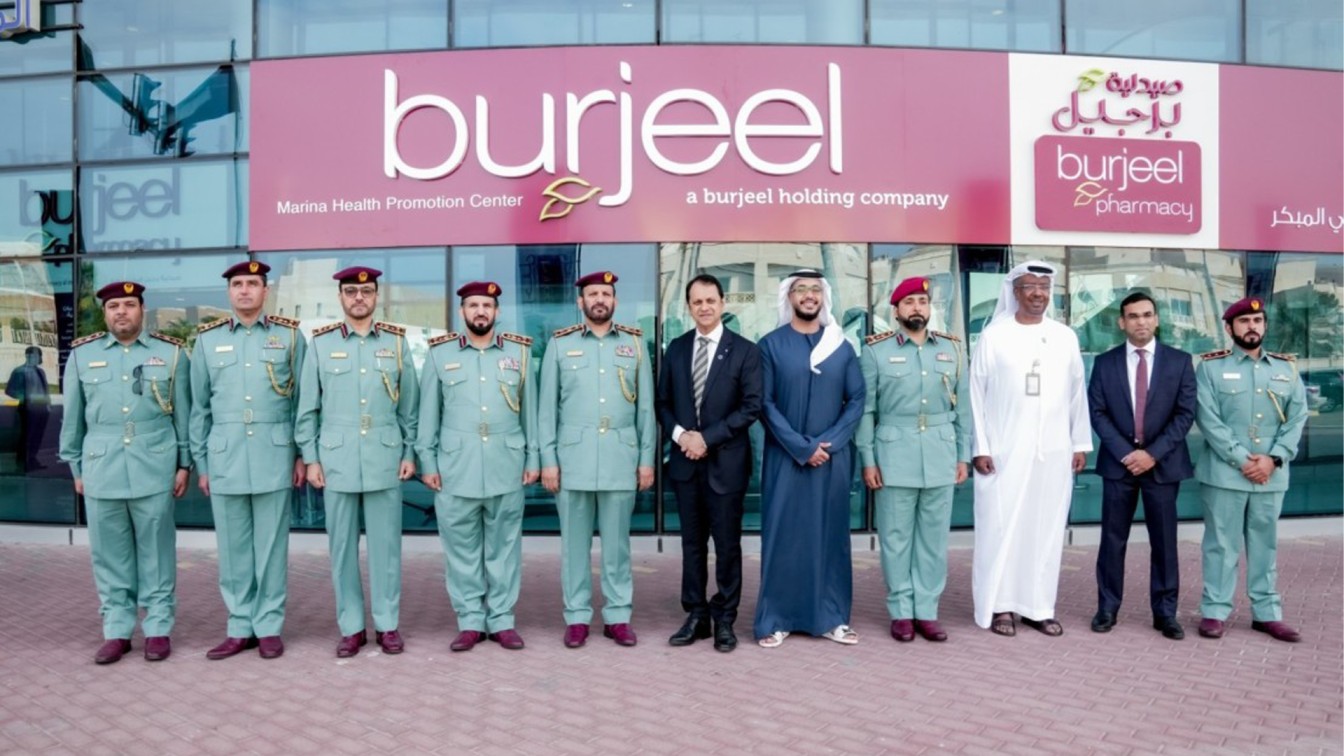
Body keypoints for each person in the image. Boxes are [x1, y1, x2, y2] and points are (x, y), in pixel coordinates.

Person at [58, 281, 191, 664]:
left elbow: (183, 415)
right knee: (109, 554)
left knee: (157, 552)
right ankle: (117, 630)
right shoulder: (83, 355)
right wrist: (76, 468)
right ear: (105, 313)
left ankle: (158, 628)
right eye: (114, 306)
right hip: (102, 467)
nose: (121, 312)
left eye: (129, 305)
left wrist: (184, 464)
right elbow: (73, 419)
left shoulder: (171, 353)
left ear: (141, 310)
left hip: (155, 465)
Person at [295, 266, 419, 658]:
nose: (359, 297)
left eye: (365, 291)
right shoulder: (320, 344)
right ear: (341, 298)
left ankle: (387, 624)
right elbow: (307, 409)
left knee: (386, 550)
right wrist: (310, 458)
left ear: (376, 296)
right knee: (342, 549)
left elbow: (409, 409)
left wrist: (409, 452)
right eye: (351, 291)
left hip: (384, 457)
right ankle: (351, 627)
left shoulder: (396, 343)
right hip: (337, 460)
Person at [190, 260, 306, 660]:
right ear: (229, 292)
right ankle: (240, 626)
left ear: (265, 291)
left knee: (272, 548)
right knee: (233, 549)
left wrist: (301, 455)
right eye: (237, 284)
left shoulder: (290, 337)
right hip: (225, 456)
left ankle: (269, 626)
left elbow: (302, 403)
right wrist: (202, 464)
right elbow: (199, 409)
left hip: (275, 453)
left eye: (252, 284)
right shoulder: (207, 341)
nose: (244, 290)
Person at [969, 261, 1091, 638]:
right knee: (1002, 528)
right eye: (1030, 286)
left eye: (1044, 286)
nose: (1038, 293)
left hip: (1054, 451)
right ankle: (1001, 605)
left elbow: (1077, 393)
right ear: (1015, 292)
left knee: (1045, 530)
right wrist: (980, 447)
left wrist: (1080, 442)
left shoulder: (1064, 336)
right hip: (1004, 452)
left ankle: (1038, 608)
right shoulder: (994, 336)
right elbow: (976, 396)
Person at [416, 281, 538, 652]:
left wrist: (534, 457)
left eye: (487, 305)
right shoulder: (440, 354)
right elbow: (428, 413)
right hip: (456, 467)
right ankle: (470, 620)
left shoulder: (519, 352)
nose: (480, 311)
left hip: (506, 464)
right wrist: (427, 460)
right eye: (473, 305)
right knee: (461, 552)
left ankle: (501, 620)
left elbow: (530, 412)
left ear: (497, 312)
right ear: (462, 312)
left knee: (504, 550)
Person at [538, 270, 655, 648]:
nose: (599, 300)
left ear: (615, 301)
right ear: (580, 302)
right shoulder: (561, 344)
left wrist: (646, 459)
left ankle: (618, 615)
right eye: (593, 294)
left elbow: (646, 408)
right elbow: (546, 409)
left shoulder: (634, 344)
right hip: (573, 460)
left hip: (621, 458)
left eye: (606, 294)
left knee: (617, 546)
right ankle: (576, 616)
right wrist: (548, 460)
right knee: (574, 547)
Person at [754, 269, 865, 649]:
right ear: (789, 297)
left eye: (815, 289)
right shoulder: (770, 345)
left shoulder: (841, 346)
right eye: (800, 289)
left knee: (830, 537)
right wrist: (801, 448)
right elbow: (764, 403)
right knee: (784, 537)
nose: (808, 295)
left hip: (832, 461)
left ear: (823, 297)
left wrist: (828, 445)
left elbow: (857, 399)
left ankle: (832, 618)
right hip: (785, 459)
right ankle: (775, 619)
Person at [857, 276, 969, 643]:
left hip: (940, 452)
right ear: (896, 311)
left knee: (933, 541)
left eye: (922, 301)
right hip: (893, 455)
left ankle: (928, 611)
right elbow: (866, 411)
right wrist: (868, 459)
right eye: (909, 302)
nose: (917, 307)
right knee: (896, 538)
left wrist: (963, 455)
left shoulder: (952, 349)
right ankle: (902, 611)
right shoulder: (875, 351)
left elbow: (964, 410)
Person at [655, 273, 762, 652]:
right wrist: (681, 436)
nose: (704, 307)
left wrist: (706, 438)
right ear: (688, 307)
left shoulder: (745, 351)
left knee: (728, 546)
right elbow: (663, 403)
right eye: (697, 301)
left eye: (710, 300)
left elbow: (751, 406)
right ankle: (697, 615)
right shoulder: (677, 349)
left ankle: (725, 619)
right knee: (692, 545)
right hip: (686, 465)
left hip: (726, 466)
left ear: (722, 303)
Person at [1193, 297, 1308, 643]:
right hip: (1224, 474)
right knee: (1221, 545)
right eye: (1244, 321)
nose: (1252, 327)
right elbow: (1208, 420)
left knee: (1264, 546)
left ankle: (1267, 614)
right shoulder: (1210, 368)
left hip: (1271, 474)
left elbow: (1297, 418)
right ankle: (1215, 610)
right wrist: (1244, 460)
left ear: (1265, 326)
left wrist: (1274, 459)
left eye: (1257, 321)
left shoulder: (1286, 369)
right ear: (1229, 329)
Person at [1088, 291, 1196, 641]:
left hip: (1162, 466)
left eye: (1147, 314)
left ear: (1157, 319)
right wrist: (1127, 453)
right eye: (1133, 316)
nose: (1141, 321)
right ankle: (1107, 608)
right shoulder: (1105, 364)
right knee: (1112, 540)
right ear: (1122, 322)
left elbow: (1185, 415)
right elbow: (1097, 413)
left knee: (1164, 542)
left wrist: (1152, 454)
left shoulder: (1180, 362)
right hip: (1118, 466)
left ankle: (1165, 613)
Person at [7, 345, 50, 470]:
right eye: (33, 355)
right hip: (28, 408)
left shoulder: (41, 372)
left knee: (37, 436)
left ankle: (32, 459)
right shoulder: (19, 371)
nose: (36, 358)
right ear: (27, 356)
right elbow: (10, 390)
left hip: (41, 409)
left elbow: (45, 390)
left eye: (38, 355)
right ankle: (22, 463)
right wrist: (25, 397)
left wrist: (47, 405)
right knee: (26, 436)